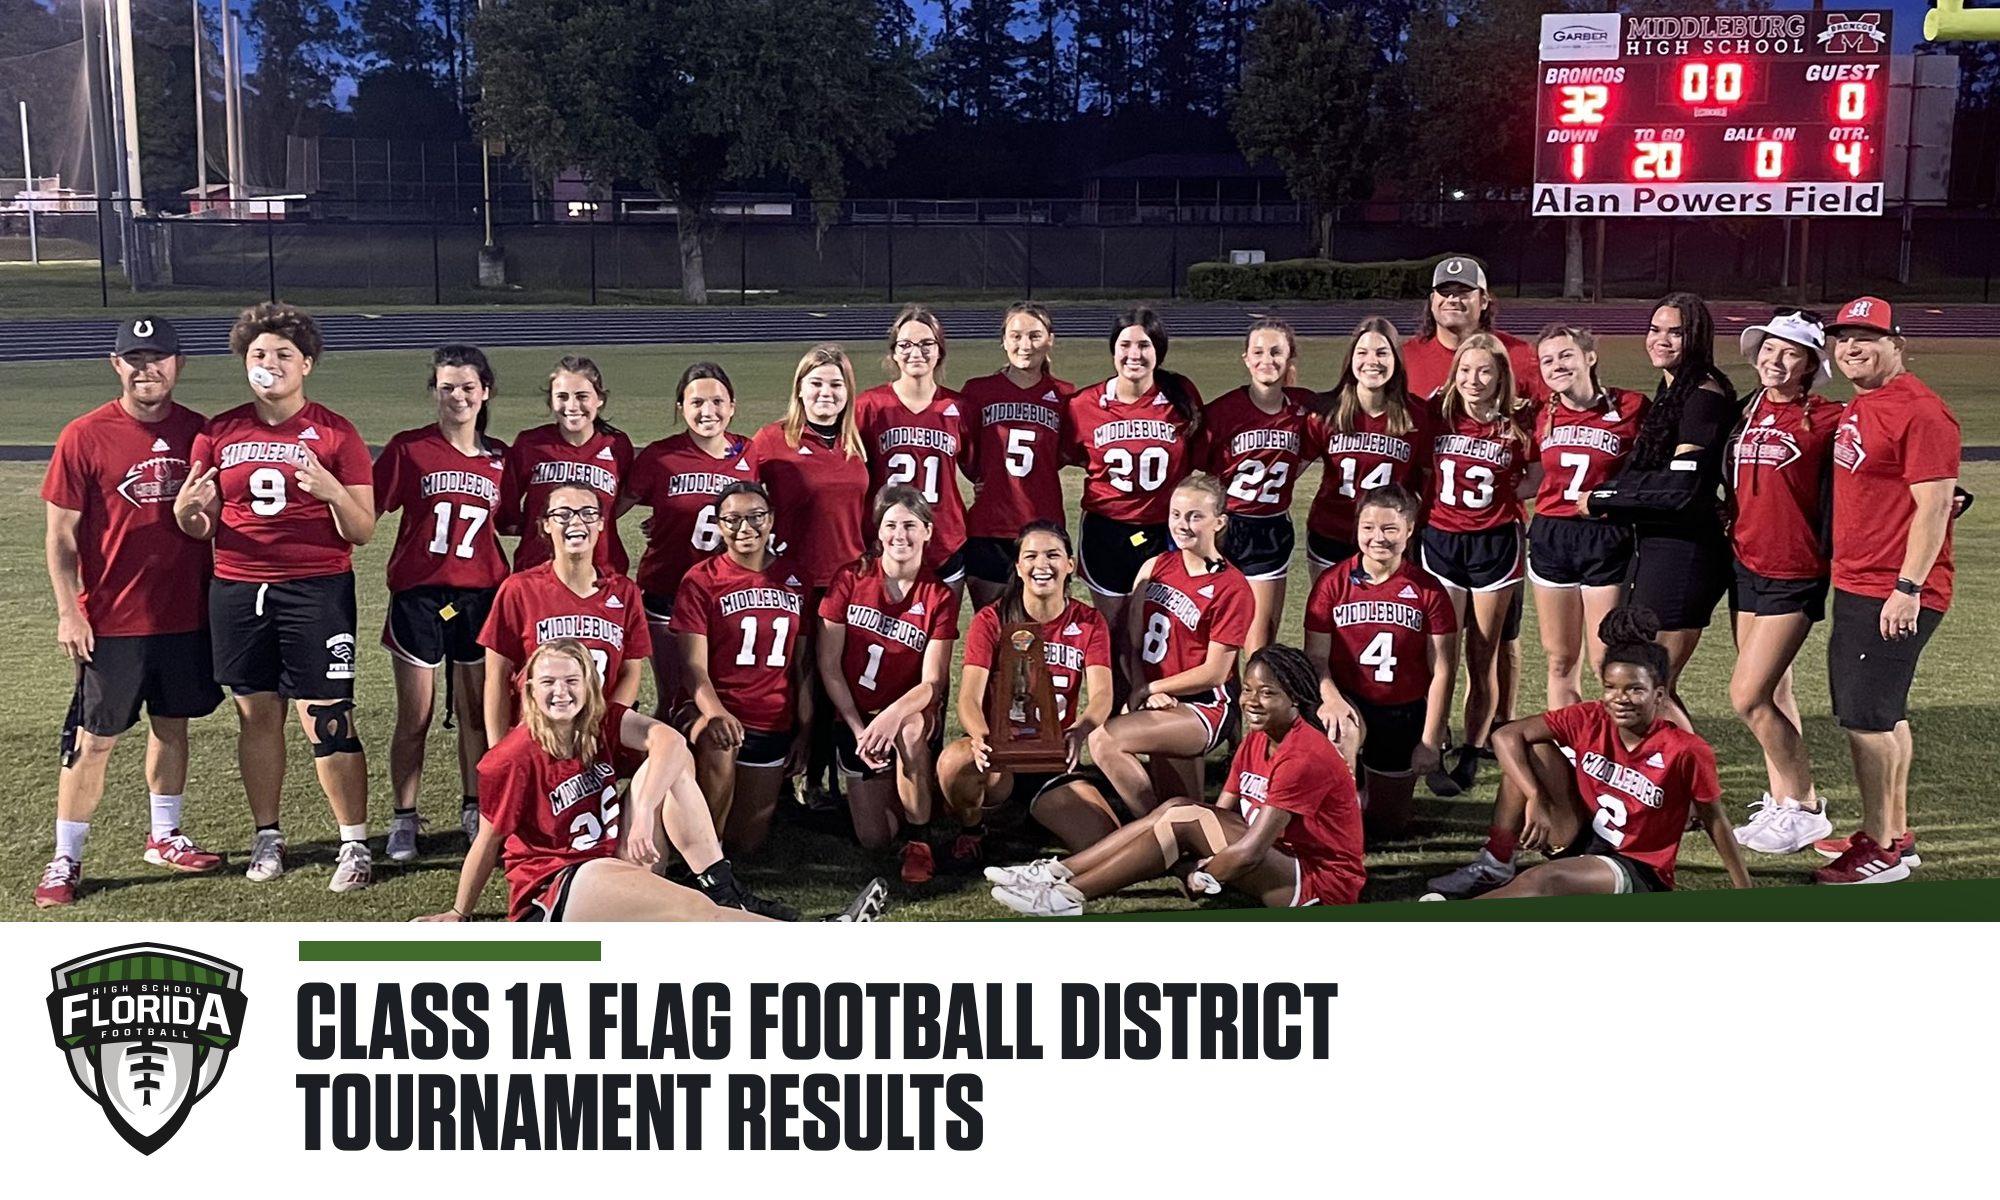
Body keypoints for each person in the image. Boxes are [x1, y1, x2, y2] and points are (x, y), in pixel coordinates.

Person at [417, 640, 883, 923]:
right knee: (695, 914)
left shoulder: (598, 721)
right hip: (560, 886)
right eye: (549, 683)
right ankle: (814, 940)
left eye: (572, 681)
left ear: (590, 685)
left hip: (614, 862)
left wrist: (641, 814)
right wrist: (460, 912)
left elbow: (670, 741)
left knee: (669, 765)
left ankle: (724, 887)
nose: (561, 692)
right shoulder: (512, 756)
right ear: (529, 690)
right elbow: (488, 840)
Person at [174, 302, 377, 892]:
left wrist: (332, 489)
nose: (270, 364)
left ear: (306, 363)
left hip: (316, 588)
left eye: (283, 354)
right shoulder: (218, 432)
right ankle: (269, 835)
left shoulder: (336, 431)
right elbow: (200, 524)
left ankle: (355, 844)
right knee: (257, 715)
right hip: (238, 587)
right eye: (258, 354)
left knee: (328, 716)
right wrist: (187, 513)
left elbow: (361, 529)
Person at [36, 316, 223, 908]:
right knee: (94, 741)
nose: (148, 369)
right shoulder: (85, 435)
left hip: (187, 614)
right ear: (116, 365)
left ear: (179, 364)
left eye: (159, 357)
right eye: (135, 359)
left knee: (173, 726)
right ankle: (66, 858)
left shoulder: (201, 432)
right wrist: (70, 611)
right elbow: (60, 537)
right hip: (113, 618)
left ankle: (164, 835)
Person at [987, 646, 1365, 916]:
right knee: (1176, 809)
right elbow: (1221, 813)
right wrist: (1188, 855)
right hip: (1280, 857)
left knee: (1184, 818)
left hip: (1319, 884)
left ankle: (1067, 896)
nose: (1251, 701)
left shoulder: (1303, 754)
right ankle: (1055, 874)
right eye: (1248, 690)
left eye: (1268, 694)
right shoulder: (1258, 738)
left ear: (1296, 700)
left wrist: (1202, 873)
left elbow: (1249, 851)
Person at [1424, 607, 1752, 899]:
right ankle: (1496, 863)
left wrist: (1745, 890)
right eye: (1611, 688)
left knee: (1543, 880)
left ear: (1659, 695)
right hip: (1584, 835)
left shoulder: (1685, 748)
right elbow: (1507, 736)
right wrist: (1535, 795)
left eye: (1635, 690)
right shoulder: (1591, 715)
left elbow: (1715, 819)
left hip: (1635, 865)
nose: (1620, 699)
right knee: (1531, 747)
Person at [1812, 297, 1959, 885]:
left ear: (1897, 343)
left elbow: (1934, 507)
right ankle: (1892, 830)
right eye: (1843, 338)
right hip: (1863, 580)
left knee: (1864, 719)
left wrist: (1907, 587)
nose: (1851, 348)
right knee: (1886, 715)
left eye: (1867, 338)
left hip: (1890, 588)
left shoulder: (1920, 410)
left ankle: (1878, 849)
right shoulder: (1869, 401)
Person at [374, 344, 510, 863]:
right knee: (416, 715)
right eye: (447, 386)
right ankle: (404, 817)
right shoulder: (409, 449)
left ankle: (475, 806)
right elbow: (371, 507)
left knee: (476, 712)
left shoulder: (501, 457)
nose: (458, 396)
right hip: (420, 597)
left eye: (467, 387)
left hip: (479, 596)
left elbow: (517, 518)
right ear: (434, 391)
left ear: (485, 392)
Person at [1401, 256, 1547, 730]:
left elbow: (1546, 425)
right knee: (1435, 639)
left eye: (1465, 292)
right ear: (1432, 300)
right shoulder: (1410, 355)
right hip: (1438, 528)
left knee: (1498, 640)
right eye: (1445, 291)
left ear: (1485, 301)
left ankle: (1493, 729)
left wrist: (1516, 490)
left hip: (1497, 532)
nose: (1453, 299)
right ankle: (1433, 729)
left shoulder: (1519, 354)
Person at [1722, 311, 1843, 856]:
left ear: (1810, 365)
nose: (1775, 359)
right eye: (1769, 348)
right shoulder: (1746, 413)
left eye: (1790, 353)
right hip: (1746, 561)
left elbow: (1879, 464)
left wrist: (1947, 495)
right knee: (1775, 690)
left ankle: (1809, 805)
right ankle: (1784, 804)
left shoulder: (1827, 418)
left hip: (1795, 570)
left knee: (1746, 696)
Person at [1583, 292, 1740, 710]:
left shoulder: (1703, 394)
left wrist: (1604, 498)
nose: (1662, 340)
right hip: (1655, 545)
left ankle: (1688, 770)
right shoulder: (1672, 388)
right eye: (1655, 330)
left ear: (1697, 337)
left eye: (1676, 332)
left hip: (1685, 554)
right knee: (1646, 680)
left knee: (1654, 684)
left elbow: (1680, 489)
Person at [935, 521, 1114, 864]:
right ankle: (973, 829)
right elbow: (969, 697)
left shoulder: (1089, 622)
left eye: (1053, 555)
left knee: (1103, 845)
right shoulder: (992, 619)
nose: (1041, 565)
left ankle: (1035, 812)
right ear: (1018, 566)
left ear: (1070, 565)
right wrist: (980, 738)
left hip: (1053, 759)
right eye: (1030, 556)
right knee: (954, 763)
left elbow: (1103, 693)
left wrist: (1082, 729)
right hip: (1001, 760)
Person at [1085, 473, 1253, 818]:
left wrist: (1149, 688)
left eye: (1195, 516)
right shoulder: (1154, 566)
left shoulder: (1232, 586)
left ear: (1218, 522)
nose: (1183, 525)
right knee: (1187, 808)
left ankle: (1152, 828)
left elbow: (1215, 672)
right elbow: (1130, 645)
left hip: (1204, 707)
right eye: (1176, 515)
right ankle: (1178, 838)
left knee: (1103, 739)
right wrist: (1142, 688)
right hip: (1158, 699)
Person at [752, 345, 873, 813]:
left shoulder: (856, 442)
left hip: (845, 583)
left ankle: (820, 779)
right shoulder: (771, 439)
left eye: (836, 384)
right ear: (799, 387)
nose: (826, 392)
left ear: (848, 393)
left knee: (832, 684)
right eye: (817, 382)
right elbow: (733, 495)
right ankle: (777, 777)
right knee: (785, 680)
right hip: (787, 582)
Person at [818, 486, 959, 884]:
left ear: (928, 532)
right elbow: (829, 666)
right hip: (857, 715)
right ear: (878, 531)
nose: (901, 535)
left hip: (906, 710)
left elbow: (933, 681)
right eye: (891, 525)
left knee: (911, 733)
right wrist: (859, 727)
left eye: (911, 526)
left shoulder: (939, 595)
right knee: (875, 838)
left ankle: (920, 843)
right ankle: (920, 793)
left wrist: (893, 717)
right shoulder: (850, 578)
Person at [1065, 306, 1205, 705]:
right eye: (1125, 345)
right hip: (1107, 532)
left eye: (1144, 345)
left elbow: (1197, 455)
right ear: (1113, 351)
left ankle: (1166, 716)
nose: (1134, 354)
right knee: (1113, 633)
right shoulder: (1084, 404)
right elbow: (1071, 454)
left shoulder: (1180, 396)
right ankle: (1115, 723)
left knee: (1160, 628)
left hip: (1164, 531)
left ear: (1158, 350)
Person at [1419, 333, 1537, 796]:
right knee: (1438, 654)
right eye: (1465, 370)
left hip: (1495, 542)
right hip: (1443, 539)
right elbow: (1426, 473)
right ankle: (1432, 740)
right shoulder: (1438, 414)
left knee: (1482, 653)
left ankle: (1472, 747)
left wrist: (1501, 495)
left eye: (1485, 371)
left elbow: (1536, 478)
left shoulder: (1517, 423)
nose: (1474, 379)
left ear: (1500, 376)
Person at [1303, 485, 1456, 838]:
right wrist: (1333, 700)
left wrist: (1430, 740)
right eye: (1369, 528)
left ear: (1409, 530)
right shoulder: (1332, 582)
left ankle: (1358, 803)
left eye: (1390, 529)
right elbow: (1316, 658)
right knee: (1341, 741)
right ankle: (1336, 818)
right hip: (1349, 702)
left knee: (1386, 827)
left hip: (1401, 711)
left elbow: (1443, 670)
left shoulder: (1427, 589)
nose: (1378, 538)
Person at [673, 481, 809, 857]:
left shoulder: (795, 578)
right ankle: (706, 864)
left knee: (746, 844)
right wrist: (716, 713)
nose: (745, 528)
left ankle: (706, 839)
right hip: (713, 709)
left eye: (755, 517)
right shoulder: (701, 579)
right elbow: (692, 668)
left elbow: (802, 664)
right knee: (720, 738)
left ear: (771, 521)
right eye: (732, 519)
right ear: (718, 525)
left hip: (771, 719)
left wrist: (805, 730)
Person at [625, 362, 760, 716]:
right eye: (697, 402)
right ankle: (670, 768)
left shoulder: (751, 454)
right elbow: (611, 509)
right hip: (669, 591)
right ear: (680, 407)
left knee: (724, 696)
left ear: (732, 405)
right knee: (675, 697)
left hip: (730, 595)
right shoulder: (660, 456)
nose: (708, 411)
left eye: (717, 401)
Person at [1526, 324, 1647, 709]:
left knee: (1605, 662)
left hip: (1606, 535)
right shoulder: (1538, 414)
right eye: (1547, 360)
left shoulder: (1630, 406)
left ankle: (1614, 748)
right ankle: (1567, 752)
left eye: (1565, 355)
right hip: (1552, 535)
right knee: (1561, 659)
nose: (1556, 365)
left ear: (1589, 357)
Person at [480, 484, 651, 740]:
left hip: (598, 733)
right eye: (563, 514)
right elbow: (496, 676)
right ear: (546, 525)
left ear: (602, 524)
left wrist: (605, 728)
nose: (576, 521)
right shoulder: (519, 589)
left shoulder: (625, 592)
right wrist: (498, 751)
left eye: (588, 513)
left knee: (672, 751)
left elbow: (630, 671)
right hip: (537, 733)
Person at [1198, 320, 1320, 654]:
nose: (1267, 360)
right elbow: (1195, 468)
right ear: (1246, 359)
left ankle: (1254, 706)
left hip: (1270, 529)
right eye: (1259, 352)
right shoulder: (1222, 411)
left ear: (1289, 359)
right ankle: (1226, 705)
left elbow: (1310, 451)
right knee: (1219, 639)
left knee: (1260, 641)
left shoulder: (1304, 408)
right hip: (1225, 528)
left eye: (1277, 352)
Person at [959, 303, 1075, 611]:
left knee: (1040, 632)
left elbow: (1065, 452)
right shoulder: (977, 391)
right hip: (989, 528)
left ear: (1050, 340)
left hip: (1044, 528)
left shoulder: (1065, 395)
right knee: (994, 628)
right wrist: (985, 478)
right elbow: (965, 452)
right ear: (1003, 341)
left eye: (1035, 336)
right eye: (1016, 336)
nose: (1025, 345)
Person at [1304, 317, 1432, 587]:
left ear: (1396, 359)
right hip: (1332, 532)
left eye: (1382, 353)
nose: (1372, 361)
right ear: (1351, 360)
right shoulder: (1326, 412)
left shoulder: (1416, 416)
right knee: (1330, 621)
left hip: (1387, 538)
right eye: (1362, 353)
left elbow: (1428, 481)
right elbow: (1291, 468)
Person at [855, 304, 971, 596]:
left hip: (944, 538)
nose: (915, 352)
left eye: (926, 344)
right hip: (890, 539)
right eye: (905, 344)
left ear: (940, 350)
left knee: (940, 634)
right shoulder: (870, 406)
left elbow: (978, 468)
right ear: (894, 352)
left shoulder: (959, 407)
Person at [503, 355, 634, 577]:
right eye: (562, 397)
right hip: (537, 568)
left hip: (600, 569)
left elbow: (625, 497)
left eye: (582, 396)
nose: (572, 406)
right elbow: (508, 508)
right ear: (551, 401)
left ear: (599, 398)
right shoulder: (531, 443)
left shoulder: (617, 445)